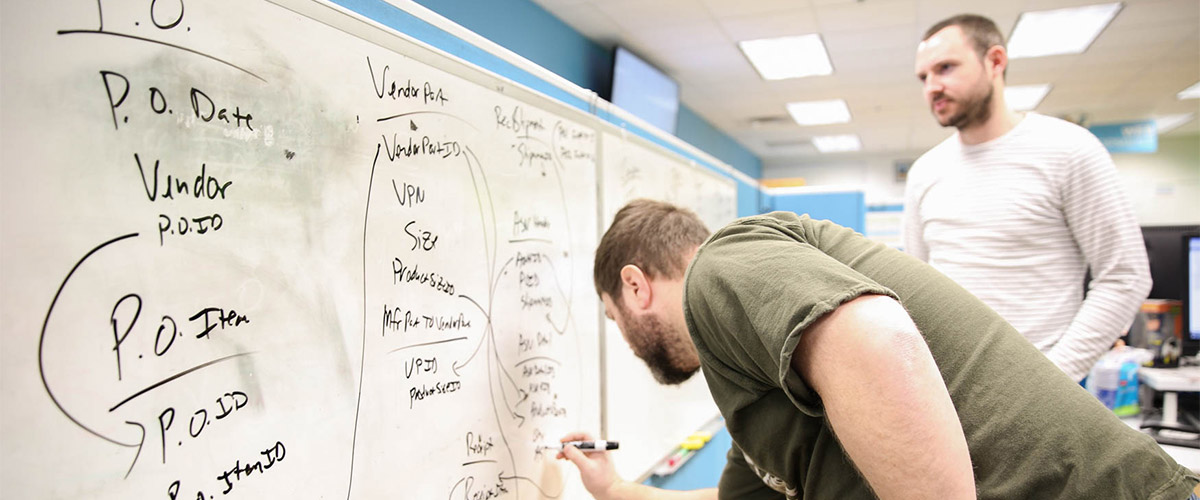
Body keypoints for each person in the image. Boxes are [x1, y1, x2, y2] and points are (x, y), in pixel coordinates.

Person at [558, 199, 1197, 499]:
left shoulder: (719, 268)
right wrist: (614, 489)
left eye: (615, 318)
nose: (625, 340)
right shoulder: (752, 389)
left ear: (636, 286)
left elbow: (877, 336)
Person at [903, 14, 1152, 382]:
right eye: (924, 77)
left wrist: (1053, 379)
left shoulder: (1069, 149)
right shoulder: (925, 172)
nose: (933, 86)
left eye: (946, 68)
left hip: (1049, 383)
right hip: (951, 387)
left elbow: (1125, 277)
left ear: (996, 62)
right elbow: (916, 290)